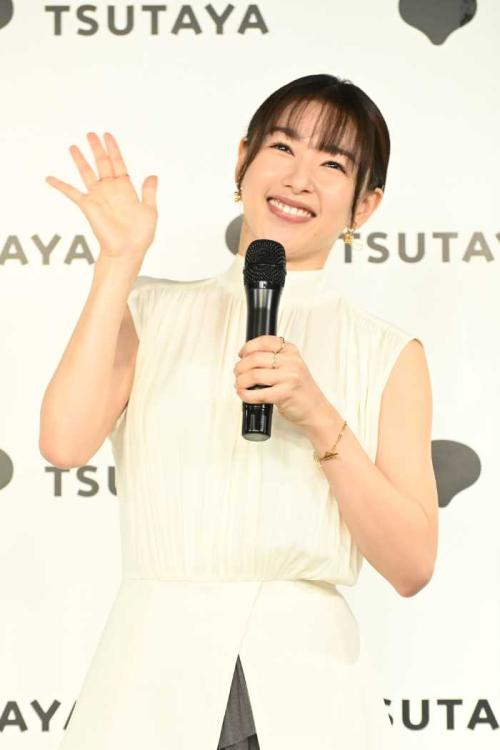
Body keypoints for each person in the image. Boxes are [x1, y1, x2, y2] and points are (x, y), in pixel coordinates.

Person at [39, 73, 439, 750]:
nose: (299, 179)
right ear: (242, 160)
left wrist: (320, 416)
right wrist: (118, 261)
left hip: (311, 696)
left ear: (365, 204)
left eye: (333, 164)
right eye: (283, 147)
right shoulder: (151, 311)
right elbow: (63, 443)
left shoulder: (388, 353)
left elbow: (411, 565)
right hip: (149, 685)